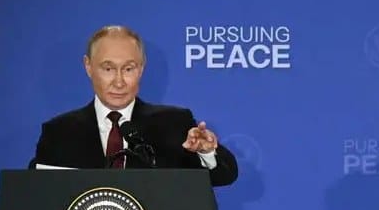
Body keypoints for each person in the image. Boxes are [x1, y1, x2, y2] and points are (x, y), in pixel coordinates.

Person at [29, 24, 238, 187]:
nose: (119, 82)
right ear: (88, 66)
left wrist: (206, 153)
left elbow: (224, 175)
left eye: (128, 69)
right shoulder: (60, 132)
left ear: (141, 68)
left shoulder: (174, 124)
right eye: (108, 69)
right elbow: (36, 193)